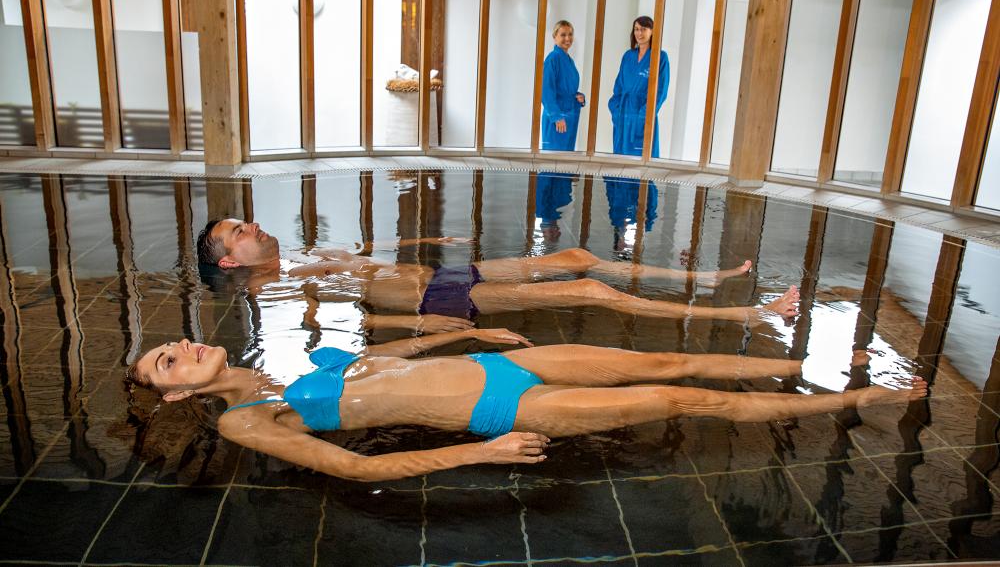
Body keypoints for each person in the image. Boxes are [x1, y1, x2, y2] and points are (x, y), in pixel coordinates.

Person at [127, 332, 927, 482]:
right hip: (500, 412)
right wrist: (481, 452)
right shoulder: (242, 420)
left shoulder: (276, 363)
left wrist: (465, 331)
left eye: (174, 342)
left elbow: (390, 361)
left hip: (496, 364)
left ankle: (811, 364)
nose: (184, 347)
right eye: (169, 361)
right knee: (680, 397)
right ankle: (859, 396)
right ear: (175, 393)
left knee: (665, 358)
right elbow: (350, 467)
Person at [197, 218, 789, 325]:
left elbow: (368, 248)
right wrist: (425, 328)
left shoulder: (301, 255)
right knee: (589, 290)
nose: (253, 226)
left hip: (437, 274)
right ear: (228, 261)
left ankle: (702, 281)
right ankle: (749, 314)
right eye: (239, 232)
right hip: (436, 301)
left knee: (578, 260)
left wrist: (430, 241)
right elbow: (346, 316)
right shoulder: (273, 286)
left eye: (246, 222)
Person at [608, 15, 669, 157]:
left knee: (641, 157)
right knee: (620, 157)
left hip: (643, 113)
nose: (639, 33)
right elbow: (618, 87)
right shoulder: (628, 56)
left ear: (652, 31)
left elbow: (661, 91)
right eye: (636, 29)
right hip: (623, 114)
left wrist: (644, 115)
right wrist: (615, 109)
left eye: (644, 29)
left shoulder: (660, 57)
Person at [541, 20, 586, 151]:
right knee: (553, 157)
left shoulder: (569, 60)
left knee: (566, 156)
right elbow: (546, 91)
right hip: (557, 118)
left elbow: (567, 88)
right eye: (563, 35)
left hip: (570, 116)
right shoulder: (552, 58)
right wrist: (556, 116)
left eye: (570, 34)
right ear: (554, 37)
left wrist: (579, 96)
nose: (567, 38)